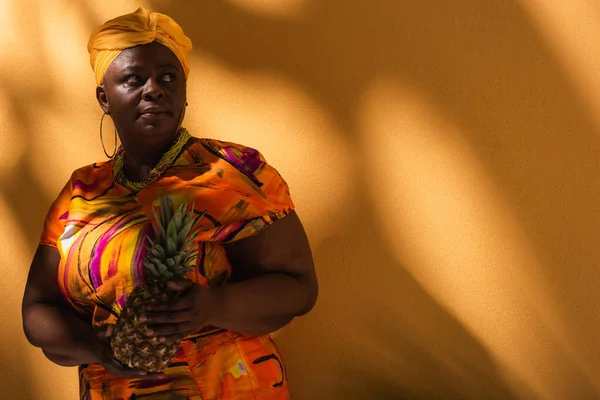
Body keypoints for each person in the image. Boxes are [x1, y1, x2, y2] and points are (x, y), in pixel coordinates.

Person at [21, 7, 317, 399]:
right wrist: (99, 348)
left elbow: (299, 288)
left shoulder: (234, 174)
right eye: (133, 78)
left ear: (184, 92)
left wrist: (213, 305)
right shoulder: (82, 191)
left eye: (167, 77)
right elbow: (38, 309)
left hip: (227, 388)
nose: (153, 89)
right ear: (104, 98)